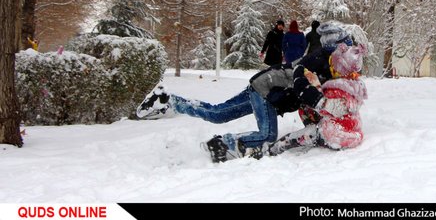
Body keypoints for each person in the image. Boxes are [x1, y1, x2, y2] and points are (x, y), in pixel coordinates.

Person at [136, 22, 353, 163]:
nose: (350, 55)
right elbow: (300, 85)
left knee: (218, 113)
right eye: (346, 47)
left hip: (262, 85)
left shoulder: (331, 64)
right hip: (266, 89)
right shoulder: (316, 61)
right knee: (267, 136)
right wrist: (324, 105)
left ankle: (169, 101)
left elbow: (309, 96)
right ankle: (223, 145)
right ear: (335, 47)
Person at [249, 42, 368, 159]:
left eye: (336, 68)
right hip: (346, 129)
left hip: (331, 131)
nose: (333, 70)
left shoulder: (337, 89)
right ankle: (311, 134)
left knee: (294, 138)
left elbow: (328, 109)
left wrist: (319, 96)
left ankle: (271, 150)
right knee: (305, 107)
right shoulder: (352, 86)